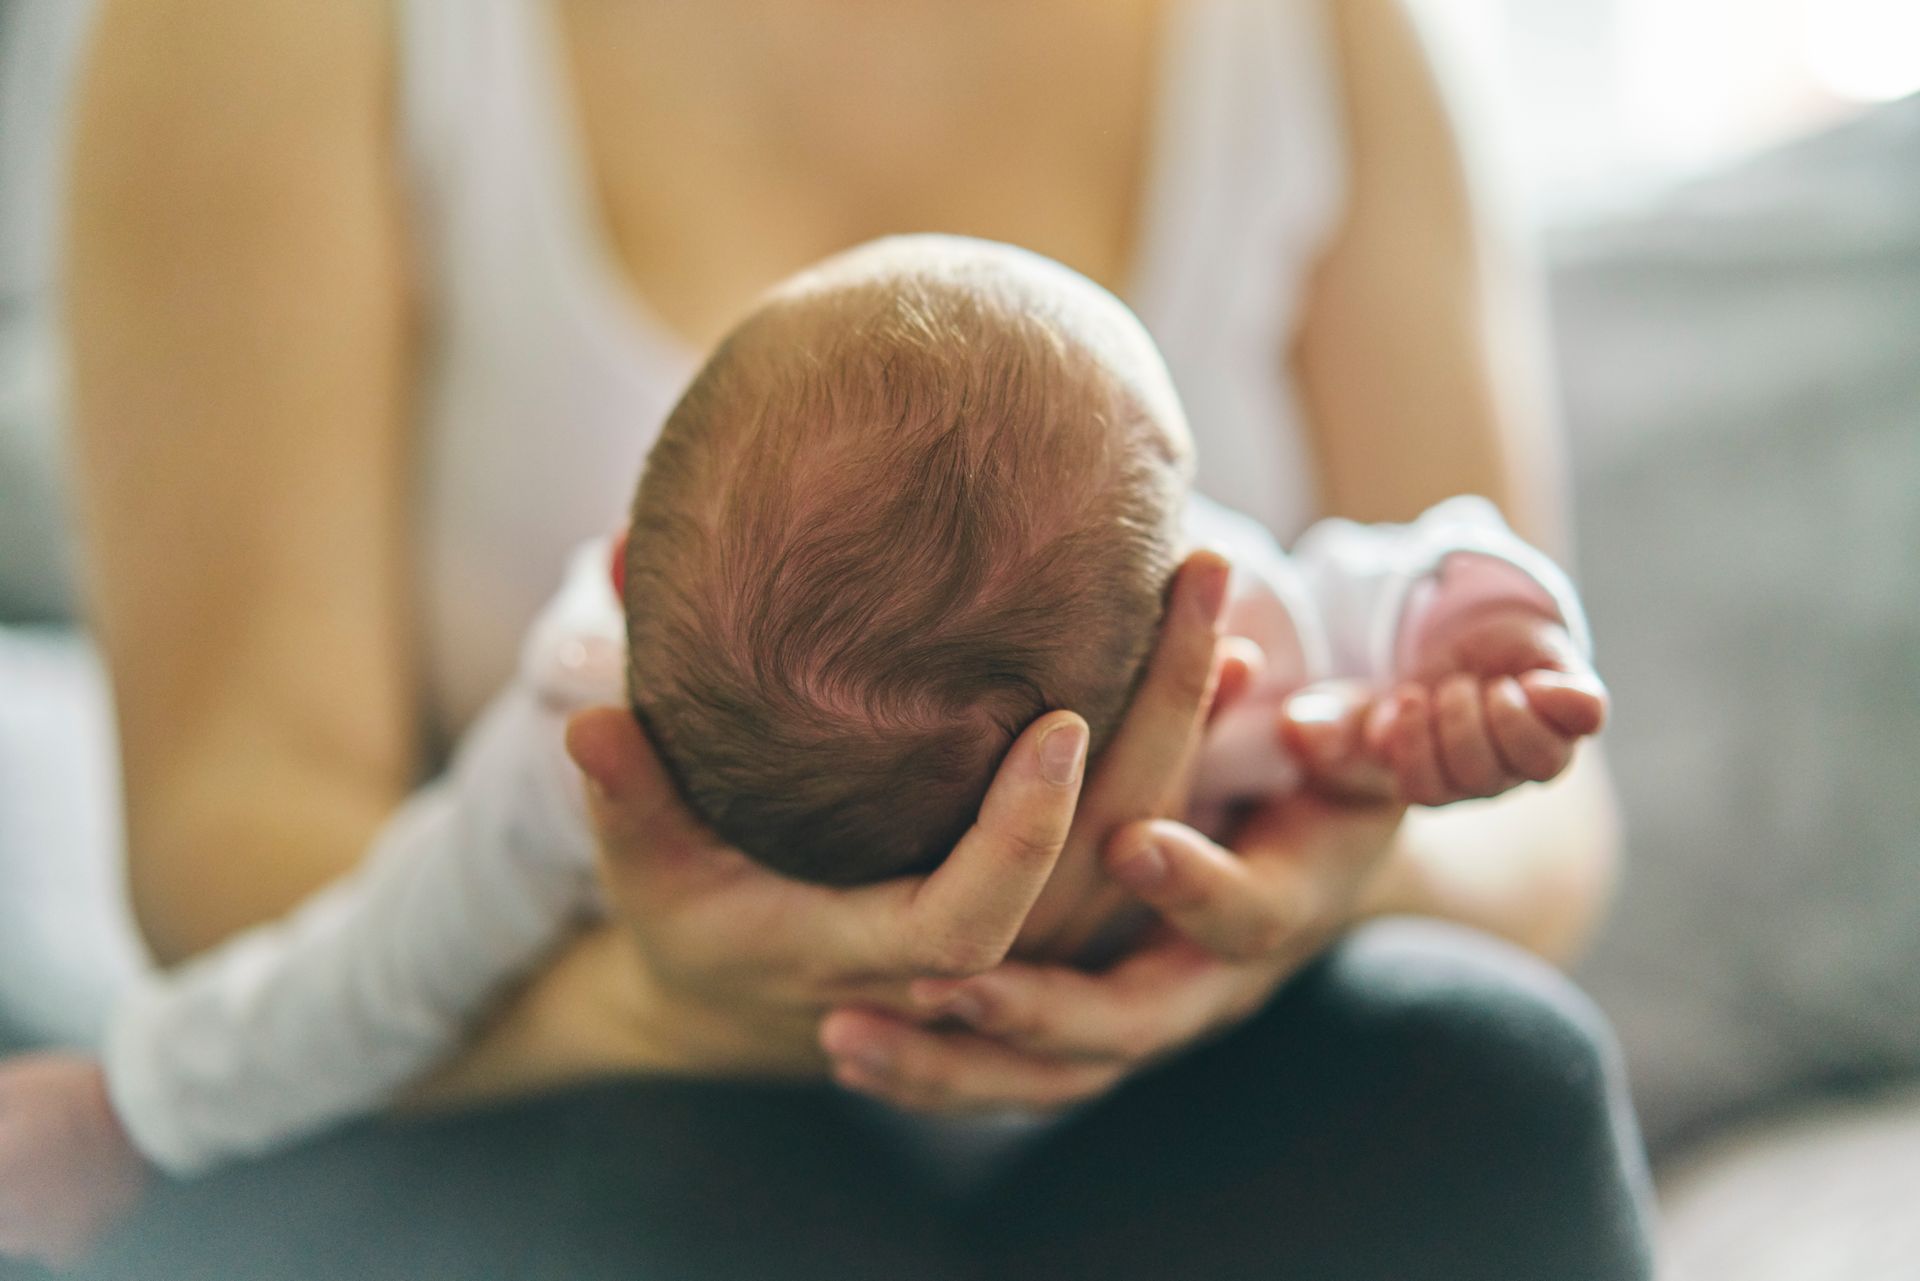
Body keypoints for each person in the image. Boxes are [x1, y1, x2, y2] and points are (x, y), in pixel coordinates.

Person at [9, 0, 1653, 1275]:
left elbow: (1520, 777)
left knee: (1476, 1075)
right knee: (703, 1195)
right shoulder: (578, 743)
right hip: (585, 1075)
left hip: (1196, 1031)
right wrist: (660, 1007)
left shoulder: (1231, 659)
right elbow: (290, 904)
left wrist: (1333, 839)